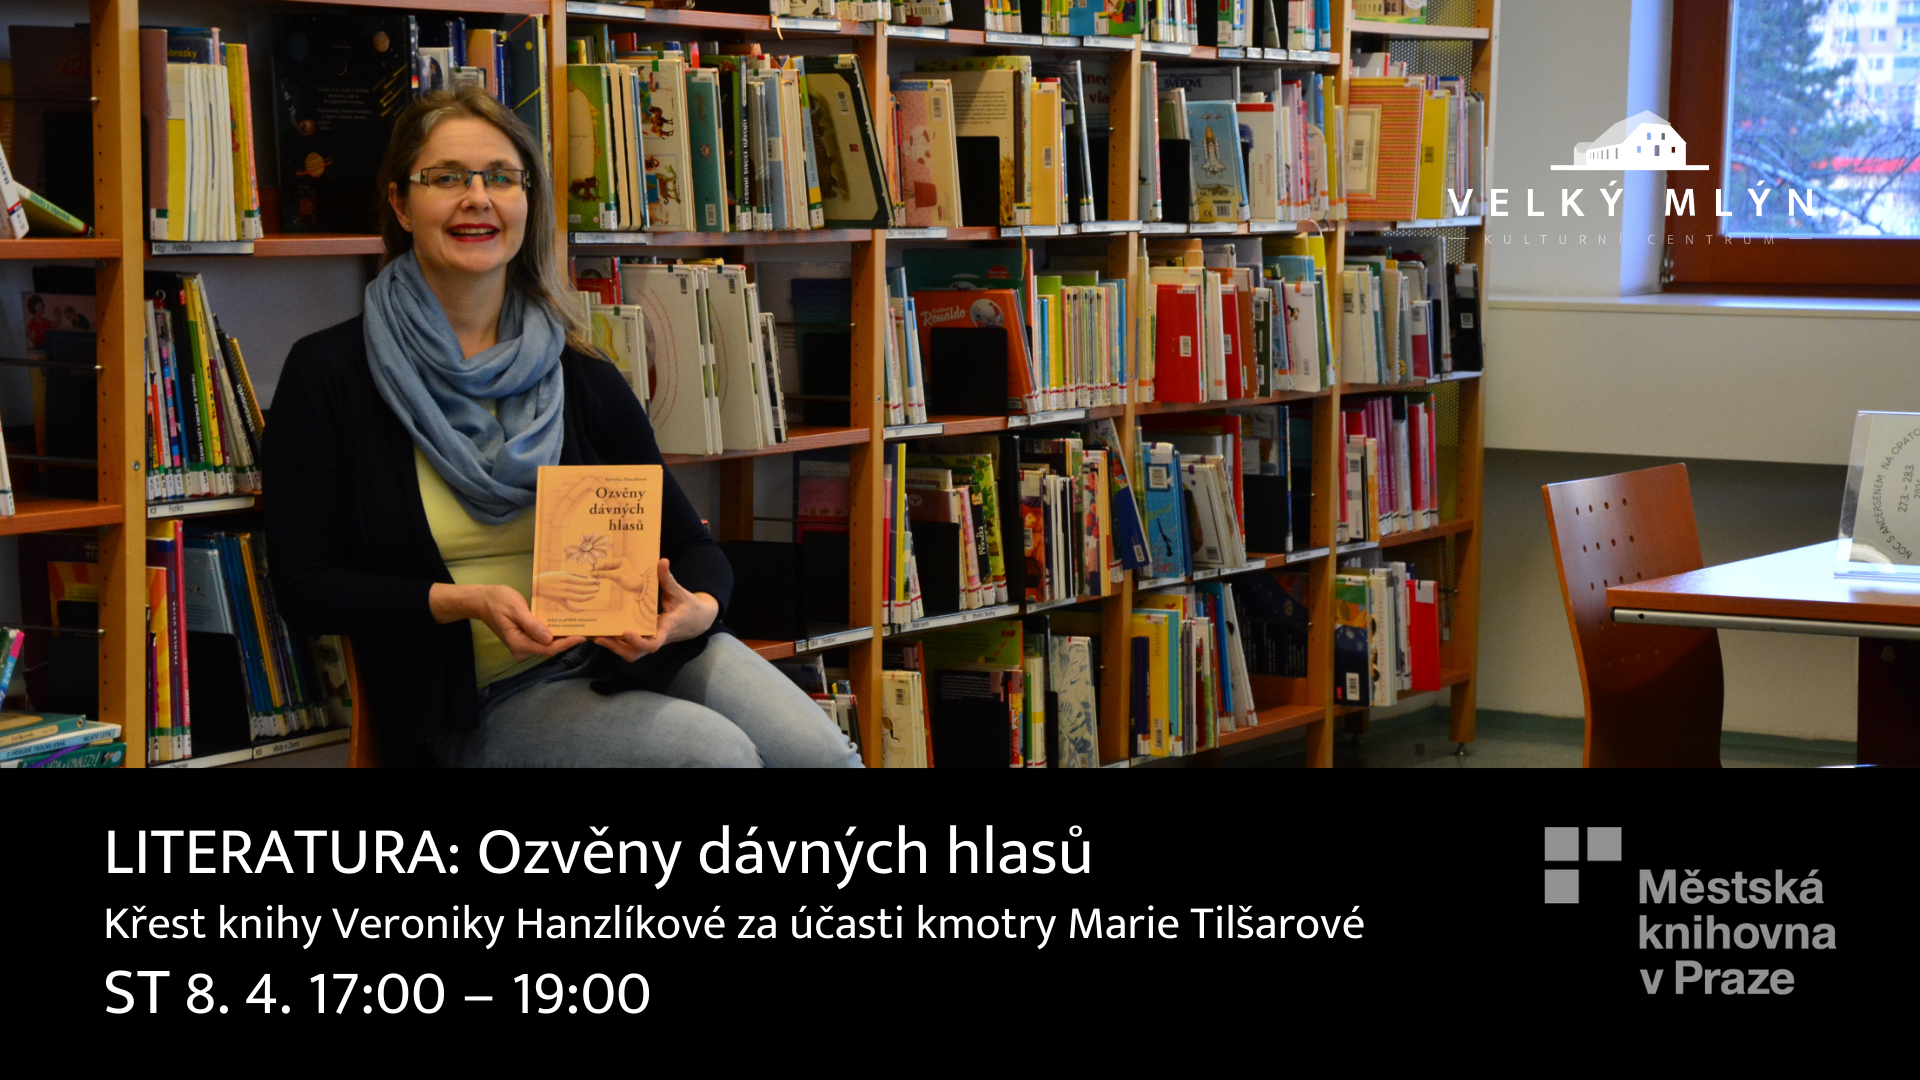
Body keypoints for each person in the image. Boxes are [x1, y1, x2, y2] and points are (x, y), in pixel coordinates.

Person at [263, 86, 860, 768]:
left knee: (820, 755)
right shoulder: (331, 373)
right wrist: (464, 601)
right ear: (400, 204)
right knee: (713, 757)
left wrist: (694, 608)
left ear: (528, 202)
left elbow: (690, 545)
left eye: (501, 178)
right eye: (447, 178)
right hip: (480, 700)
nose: (477, 198)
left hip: (635, 651)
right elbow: (305, 588)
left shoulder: (578, 370)